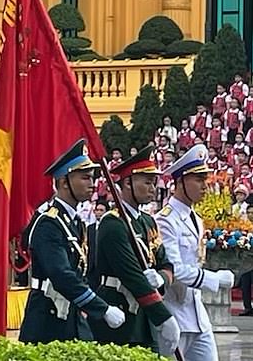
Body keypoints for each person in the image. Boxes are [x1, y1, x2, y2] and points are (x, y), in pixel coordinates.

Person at [18, 139, 125, 344]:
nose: (91, 184)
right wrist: (101, 308)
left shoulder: (76, 222)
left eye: (92, 178)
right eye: (85, 177)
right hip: (48, 315)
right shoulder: (48, 222)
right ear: (64, 182)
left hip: (72, 311)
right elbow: (60, 273)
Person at [90, 146, 180, 355]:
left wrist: (161, 279)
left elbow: (166, 264)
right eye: (147, 182)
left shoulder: (148, 222)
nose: (153, 188)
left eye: (154, 183)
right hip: (120, 312)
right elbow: (131, 275)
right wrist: (164, 317)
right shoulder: (112, 224)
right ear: (128, 183)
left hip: (144, 316)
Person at [154, 144, 236, 361]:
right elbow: (175, 269)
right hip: (173, 310)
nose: (204, 187)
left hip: (197, 313)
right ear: (180, 182)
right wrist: (215, 278)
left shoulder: (196, 219)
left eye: (205, 180)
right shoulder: (165, 219)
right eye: (198, 180)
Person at [86, 201, 108, 289]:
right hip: (91, 267)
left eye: (101, 210)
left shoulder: (108, 229)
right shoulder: (89, 228)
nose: (98, 212)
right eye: (97, 210)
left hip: (103, 267)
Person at [240, 204, 253, 316]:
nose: (250, 215)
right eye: (248, 213)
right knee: (245, 284)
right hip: (246, 260)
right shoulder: (242, 226)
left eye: (252, 213)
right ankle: (247, 307)